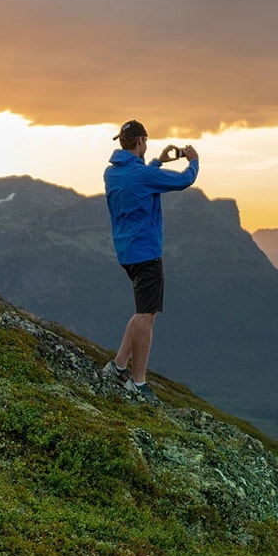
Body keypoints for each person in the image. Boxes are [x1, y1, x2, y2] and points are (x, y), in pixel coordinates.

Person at [102, 119, 199, 404]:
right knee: (146, 315)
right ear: (141, 141)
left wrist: (157, 162)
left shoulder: (112, 173)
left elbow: (140, 178)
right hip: (146, 253)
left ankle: (118, 366)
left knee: (143, 310)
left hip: (126, 253)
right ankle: (138, 382)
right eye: (145, 142)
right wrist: (193, 161)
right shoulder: (142, 176)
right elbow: (183, 180)